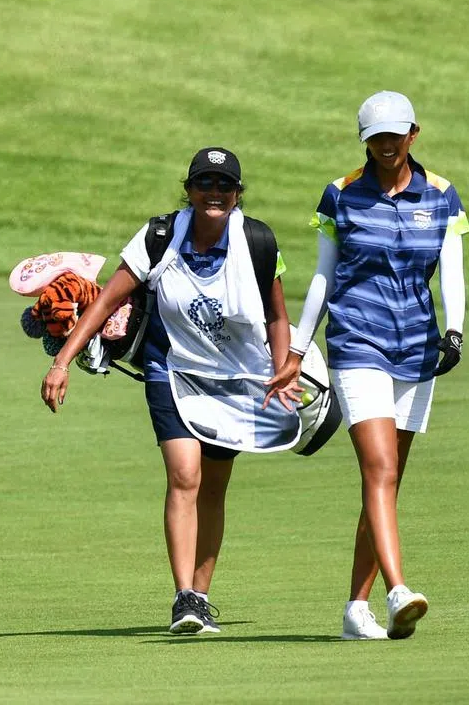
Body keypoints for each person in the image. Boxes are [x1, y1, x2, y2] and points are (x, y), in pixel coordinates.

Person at [41, 147, 299, 635]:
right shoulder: (160, 236)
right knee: (185, 475)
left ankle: (201, 596)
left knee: (215, 487)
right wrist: (62, 361)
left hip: (236, 376)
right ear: (190, 189)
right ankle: (184, 596)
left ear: (238, 194)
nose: (214, 193)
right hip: (171, 368)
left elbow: (276, 315)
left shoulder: (260, 242)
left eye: (224, 186)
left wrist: (284, 367)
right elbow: (106, 301)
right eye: (205, 183)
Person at [267, 91, 469, 641]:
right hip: (357, 342)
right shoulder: (342, 194)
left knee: (388, 481)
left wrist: (454, 331)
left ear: (413, 133)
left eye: (394, 135)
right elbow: (322, 277)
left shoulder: (444, 194)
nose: (385, 146)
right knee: (378, 469)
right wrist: (296, 350)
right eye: (375, 138)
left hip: (417, 349)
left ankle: (356, 610)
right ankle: (398, 589)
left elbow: (451, 269)